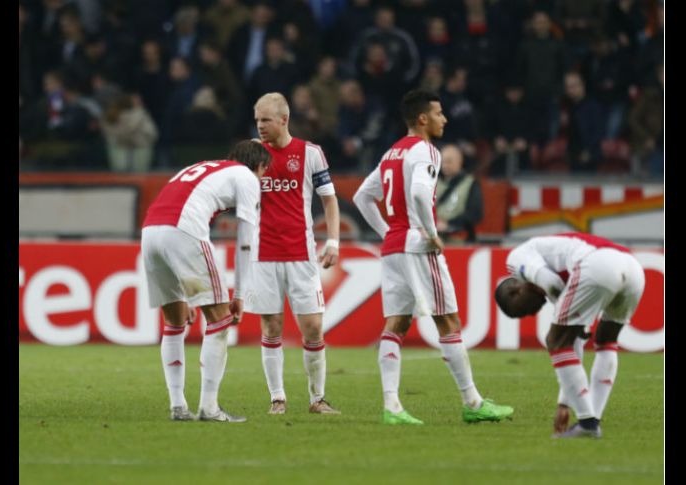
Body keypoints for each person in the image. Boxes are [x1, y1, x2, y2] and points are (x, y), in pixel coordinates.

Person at [352, 90, 514, 425]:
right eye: (439, 113)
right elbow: (419, 192)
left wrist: (386, 231)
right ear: (423, 119)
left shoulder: (392, 152)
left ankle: (392, 407)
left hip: (394, 248)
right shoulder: (425, 150)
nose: (445, 119)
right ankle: (472, 402)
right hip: (417, 245)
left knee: (395, 324)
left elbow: (361, 197)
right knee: (449, 322)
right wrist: (431, 232)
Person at [141, 140, 271, 422]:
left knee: (174, 323)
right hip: (183, 231)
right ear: (260, 166)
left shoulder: (200, 168)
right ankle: (209, 407)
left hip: (150, 232)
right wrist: (240, 293)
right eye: (264, 172)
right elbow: (247, 239)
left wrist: (185, 294)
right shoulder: (247, 176)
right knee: (220, 319)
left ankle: (178, 405)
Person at [494, 232, 646, 438]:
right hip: (633, 268)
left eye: (523, 311)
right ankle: (592, 419)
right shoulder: (547, 256)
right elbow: (574, 345)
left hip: (598, 265)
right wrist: (564, 403)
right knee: (606, 340)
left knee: (555, 340)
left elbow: (552, 282)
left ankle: (587, 423)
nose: (532, 313)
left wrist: (571, 325)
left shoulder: (515, 260)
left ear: (515, 291)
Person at [246, 92, 341, 415]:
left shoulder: (310, 153)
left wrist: (333, 241)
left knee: (313, 326)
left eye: (266, 120)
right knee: (271, 326)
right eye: (257, 119)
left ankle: (317, 398)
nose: (260, 125)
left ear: (284, 120)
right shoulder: (252, 154)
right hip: (263, 254)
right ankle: (277, 398)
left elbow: (329, 199)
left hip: (301, 254)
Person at [436, 144, 484, 243]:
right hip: (435, 239)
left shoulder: (470, 184)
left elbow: (475, 214)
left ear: (459, 162)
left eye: (449, 161)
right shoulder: (435, 183)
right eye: (443, 162)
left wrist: (449, 224)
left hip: (459, 239)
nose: (445, 165)